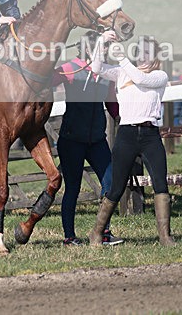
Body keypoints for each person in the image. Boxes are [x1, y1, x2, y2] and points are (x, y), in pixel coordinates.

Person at [88, 31, 175, 246]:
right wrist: (102, 41)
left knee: (160, 184)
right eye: (140, 52)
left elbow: (140, 79)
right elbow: (96, 68)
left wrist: (121, 58)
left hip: (150, 136)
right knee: (117, 188)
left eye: (147, 52)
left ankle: (165, 236)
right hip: (127, 135)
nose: (142, 56)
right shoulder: (122, 72)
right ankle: (96, 233)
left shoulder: (160, 75)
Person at [53, 31, 123, 246]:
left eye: (105, 47)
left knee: (110, 184)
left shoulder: (105, 72)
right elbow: (45, 81)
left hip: (97, 140)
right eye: (102, 47)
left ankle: (103, 233)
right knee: (72, 188)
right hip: (71, 140)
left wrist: (121, 118)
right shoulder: (69, 68)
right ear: (87, 48)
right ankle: (69, 237)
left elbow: (111, 101)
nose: (105, 51)